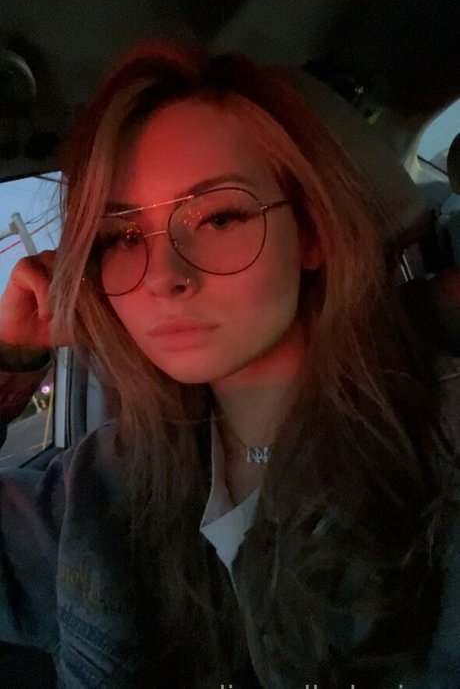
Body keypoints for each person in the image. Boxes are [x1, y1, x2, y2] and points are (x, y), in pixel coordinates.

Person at [0, 41, 459, 689]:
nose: (164, 276)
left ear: (312, 233)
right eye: (121, 236)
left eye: (218, 217)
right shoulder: (99, 489)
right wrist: (11, 361)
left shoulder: (439, 456)